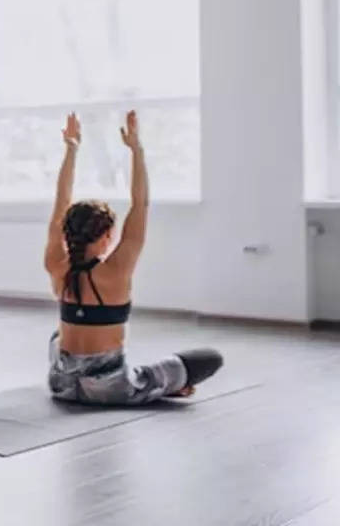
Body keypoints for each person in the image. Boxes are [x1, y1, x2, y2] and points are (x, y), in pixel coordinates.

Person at [44, 111, 222, 405]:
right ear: (106, 237)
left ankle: (156, 386)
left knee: (57, 337)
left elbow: (61, 201)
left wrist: (71, 148)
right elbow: (141, 203)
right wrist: (136, 149)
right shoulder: (116, 270)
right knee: (210, 359)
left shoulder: (55, 264)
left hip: (61, 384)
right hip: (110, 389)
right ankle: (159, 387)